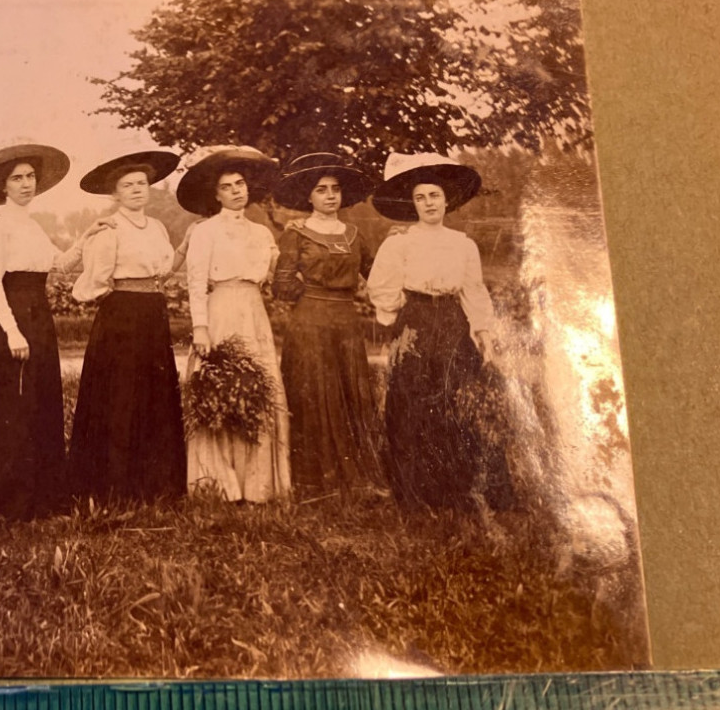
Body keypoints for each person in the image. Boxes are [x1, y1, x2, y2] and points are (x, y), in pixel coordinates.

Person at [366, 151, 515, 512]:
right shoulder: (399, 242)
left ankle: (452, 487)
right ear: (413, 204)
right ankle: (414, 493)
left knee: (452, 401)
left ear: (446, 200)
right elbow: (380, 287)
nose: (428, 203)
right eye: (420, 197)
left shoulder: (462, 245)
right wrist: (397, 313)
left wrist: (483, 334)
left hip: (451, 323)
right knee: (410, 404)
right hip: (415, 321)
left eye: (434, 196)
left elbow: (474, 291)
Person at [0, 143, 96, 519]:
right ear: (3, 186)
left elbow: (61, 265)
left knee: (36, 403)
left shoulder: (33, 226)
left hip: (39, 319)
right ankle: (3, 496)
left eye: (30, 176)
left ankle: (38, 494)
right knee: (7, 408)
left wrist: (87, 236)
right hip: (9, 323)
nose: (25, 184)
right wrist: (13, 333)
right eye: (16, 178)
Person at [68, 149, 188, 505]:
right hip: (121, 314)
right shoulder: (109, 228)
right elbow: (94, 283)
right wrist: (117, 296)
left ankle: (155, 484)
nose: (137, 189)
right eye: (128, 185)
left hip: (153, 313)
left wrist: (185, 245)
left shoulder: (157, 227)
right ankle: (115, 486)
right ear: (115, 193)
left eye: (142, 183)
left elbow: (164, 269)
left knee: (154, 393)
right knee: (121, 395)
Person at [271, 153, 390, 499]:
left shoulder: (355, 235)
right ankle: (313, 480)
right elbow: (281, 286)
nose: (329, 196)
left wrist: (399, 243)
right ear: (309, 197)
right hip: (309, 322)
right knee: (314, 395)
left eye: (335, 189)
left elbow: (379, 275)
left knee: (350, 392)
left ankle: (356, 479)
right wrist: (312, 292)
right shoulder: (296, 234)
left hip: (347, 324)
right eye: (321, 190)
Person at [177, 146, 290, 502]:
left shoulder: (261, 234)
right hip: (221, 308)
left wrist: (294, 238)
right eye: (227, 186)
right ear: (216, 194)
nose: (237, 191)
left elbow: (276, 277)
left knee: (258, 387)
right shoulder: (205, 232)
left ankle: (258, 486)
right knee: (220, 389)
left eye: (240, 184)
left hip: (253, 310)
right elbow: (196, 283)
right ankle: (220, 484)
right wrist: (201, 328)